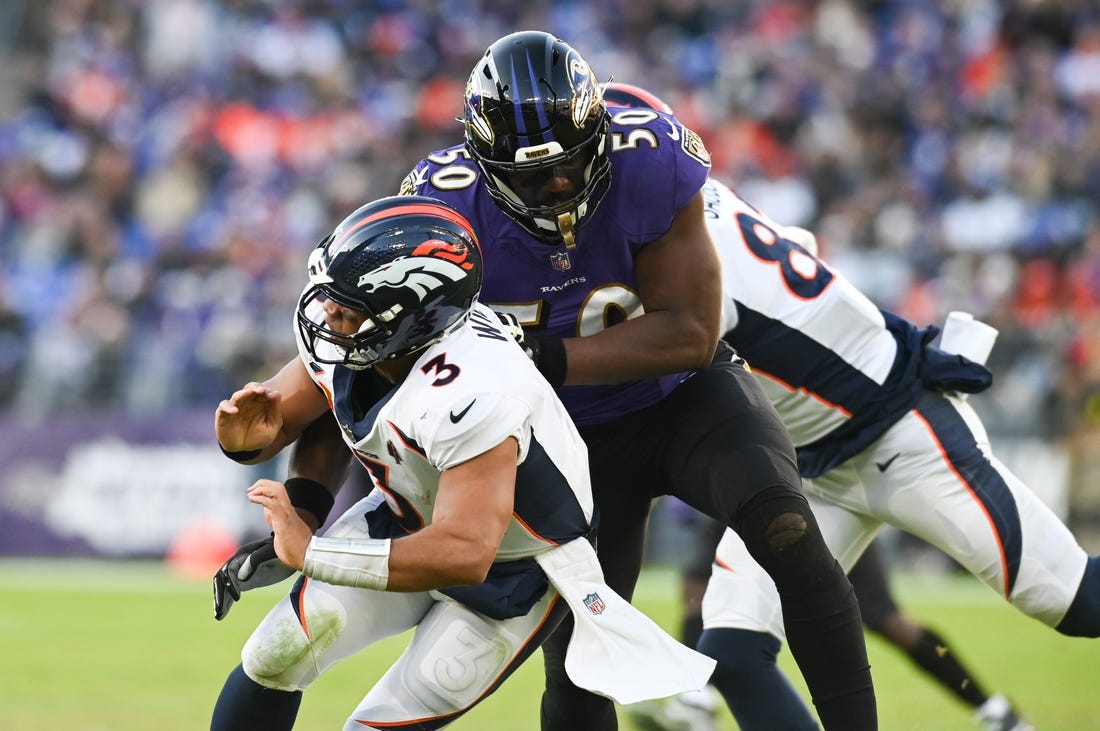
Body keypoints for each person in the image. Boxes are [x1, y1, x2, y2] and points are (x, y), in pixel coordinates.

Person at [217, 31, 879, 731]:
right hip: (557, 441)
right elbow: (352, 358)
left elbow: (690, 331)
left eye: (570, 163)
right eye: (534, 176)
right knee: (576, 676)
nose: (559, 185)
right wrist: (301, 497)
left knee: (786, 529)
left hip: (677, 400)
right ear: (485, 164)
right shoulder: (444, 213)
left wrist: (532, 351)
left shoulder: (648, 158)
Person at [601, 81, 1097, 730]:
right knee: (733, 650)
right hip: (806, 464)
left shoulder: (681, 255)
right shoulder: (701, 206)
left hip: (899, 431)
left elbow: (671, 347)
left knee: (1075, 603)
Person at [207, 195, 716, 730]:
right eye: (331, 299)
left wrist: (313, 552)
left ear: (410, 319)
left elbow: (465, 552)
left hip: (514, 570)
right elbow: (298, 414)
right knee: (275, 653)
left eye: (349, 308)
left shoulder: (474, 388)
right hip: (409, 515)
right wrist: (246, 441)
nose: (329, 317)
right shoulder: (367, 338)